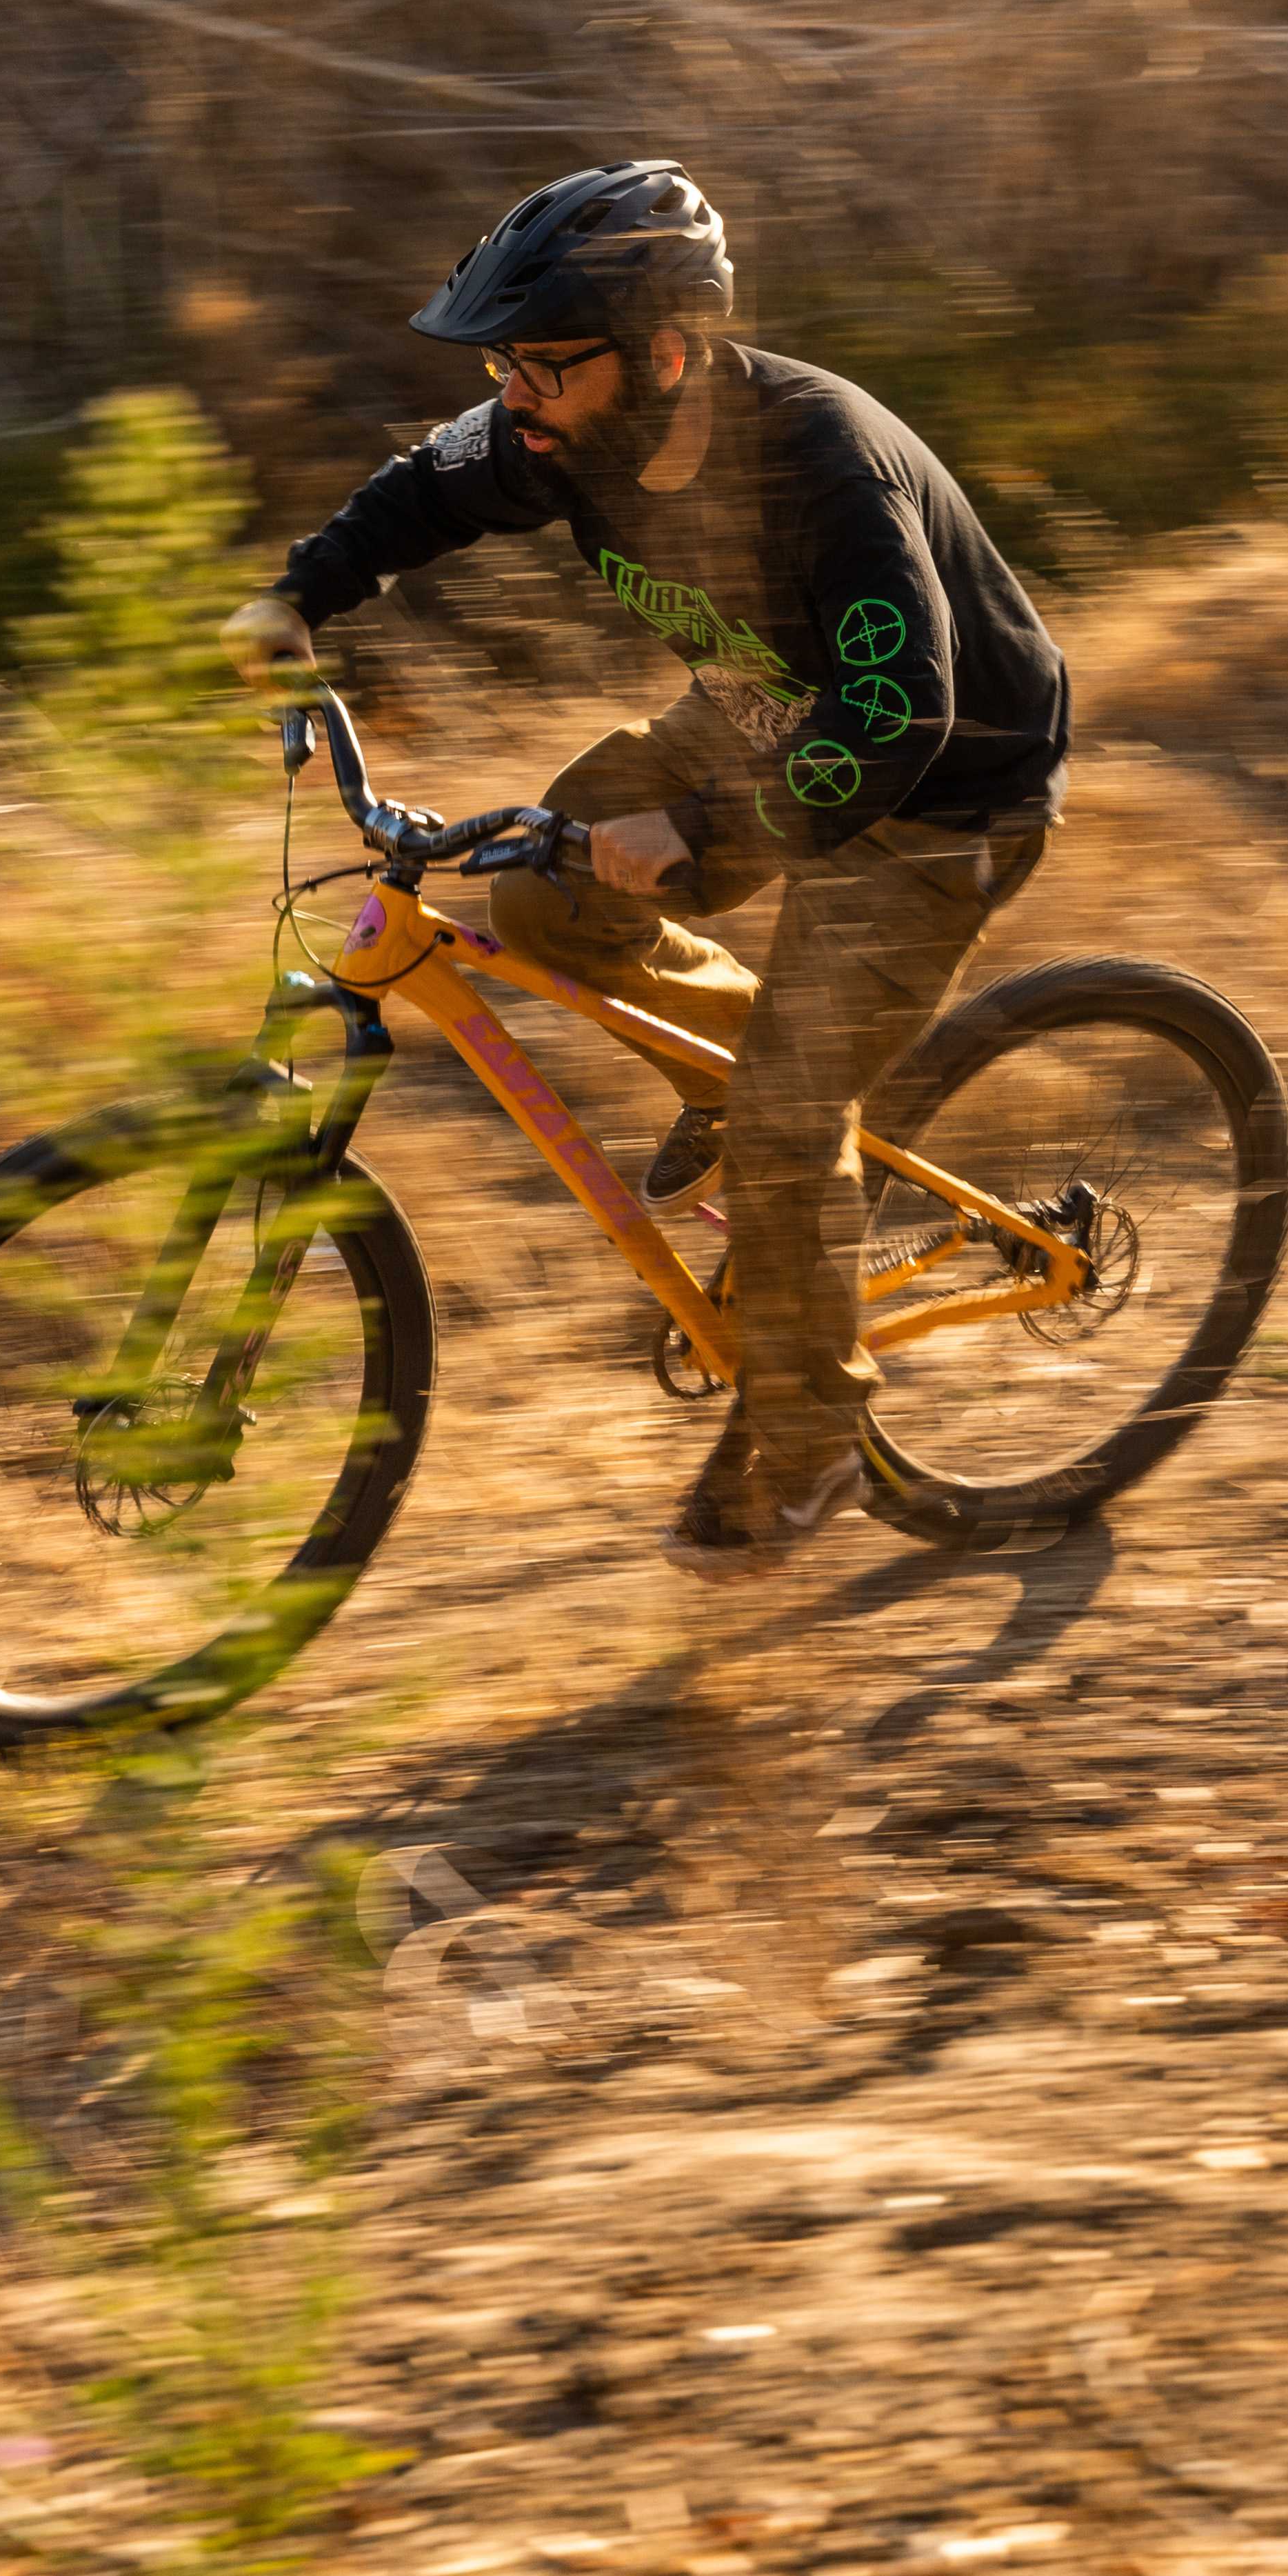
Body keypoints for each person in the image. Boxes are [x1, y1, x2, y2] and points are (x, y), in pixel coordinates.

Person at [222, 159, 1072, 1581]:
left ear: (665, 352)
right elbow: (422, 493)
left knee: (793, 1121)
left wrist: (706, 833)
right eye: (503, 364)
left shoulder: (823, 467)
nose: (514, 394)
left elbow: (899, 717)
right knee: (543, 894)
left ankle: (806, 1439)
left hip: (943, 790)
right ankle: (734, 1086)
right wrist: (296, 595)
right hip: (759, 712)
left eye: (544, 365)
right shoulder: (560, 433)